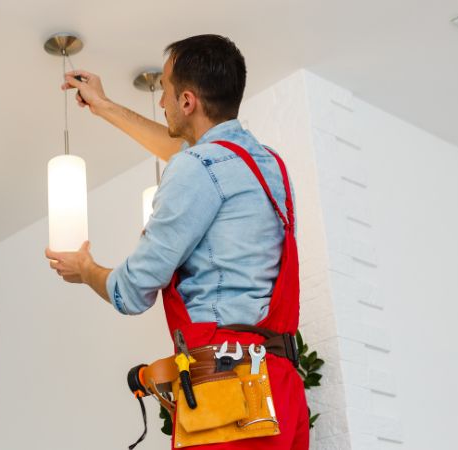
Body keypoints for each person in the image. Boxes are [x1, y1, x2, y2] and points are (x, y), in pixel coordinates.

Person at [45, 34, 309, 449]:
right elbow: (193, 155)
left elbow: (131, 292)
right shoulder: (266, 163)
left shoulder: (198, 169)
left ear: (187, 101)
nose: (161, 102)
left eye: (165, 92)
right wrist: (106, 106)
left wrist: (86, 270)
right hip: (280, 389)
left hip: (228, 391)